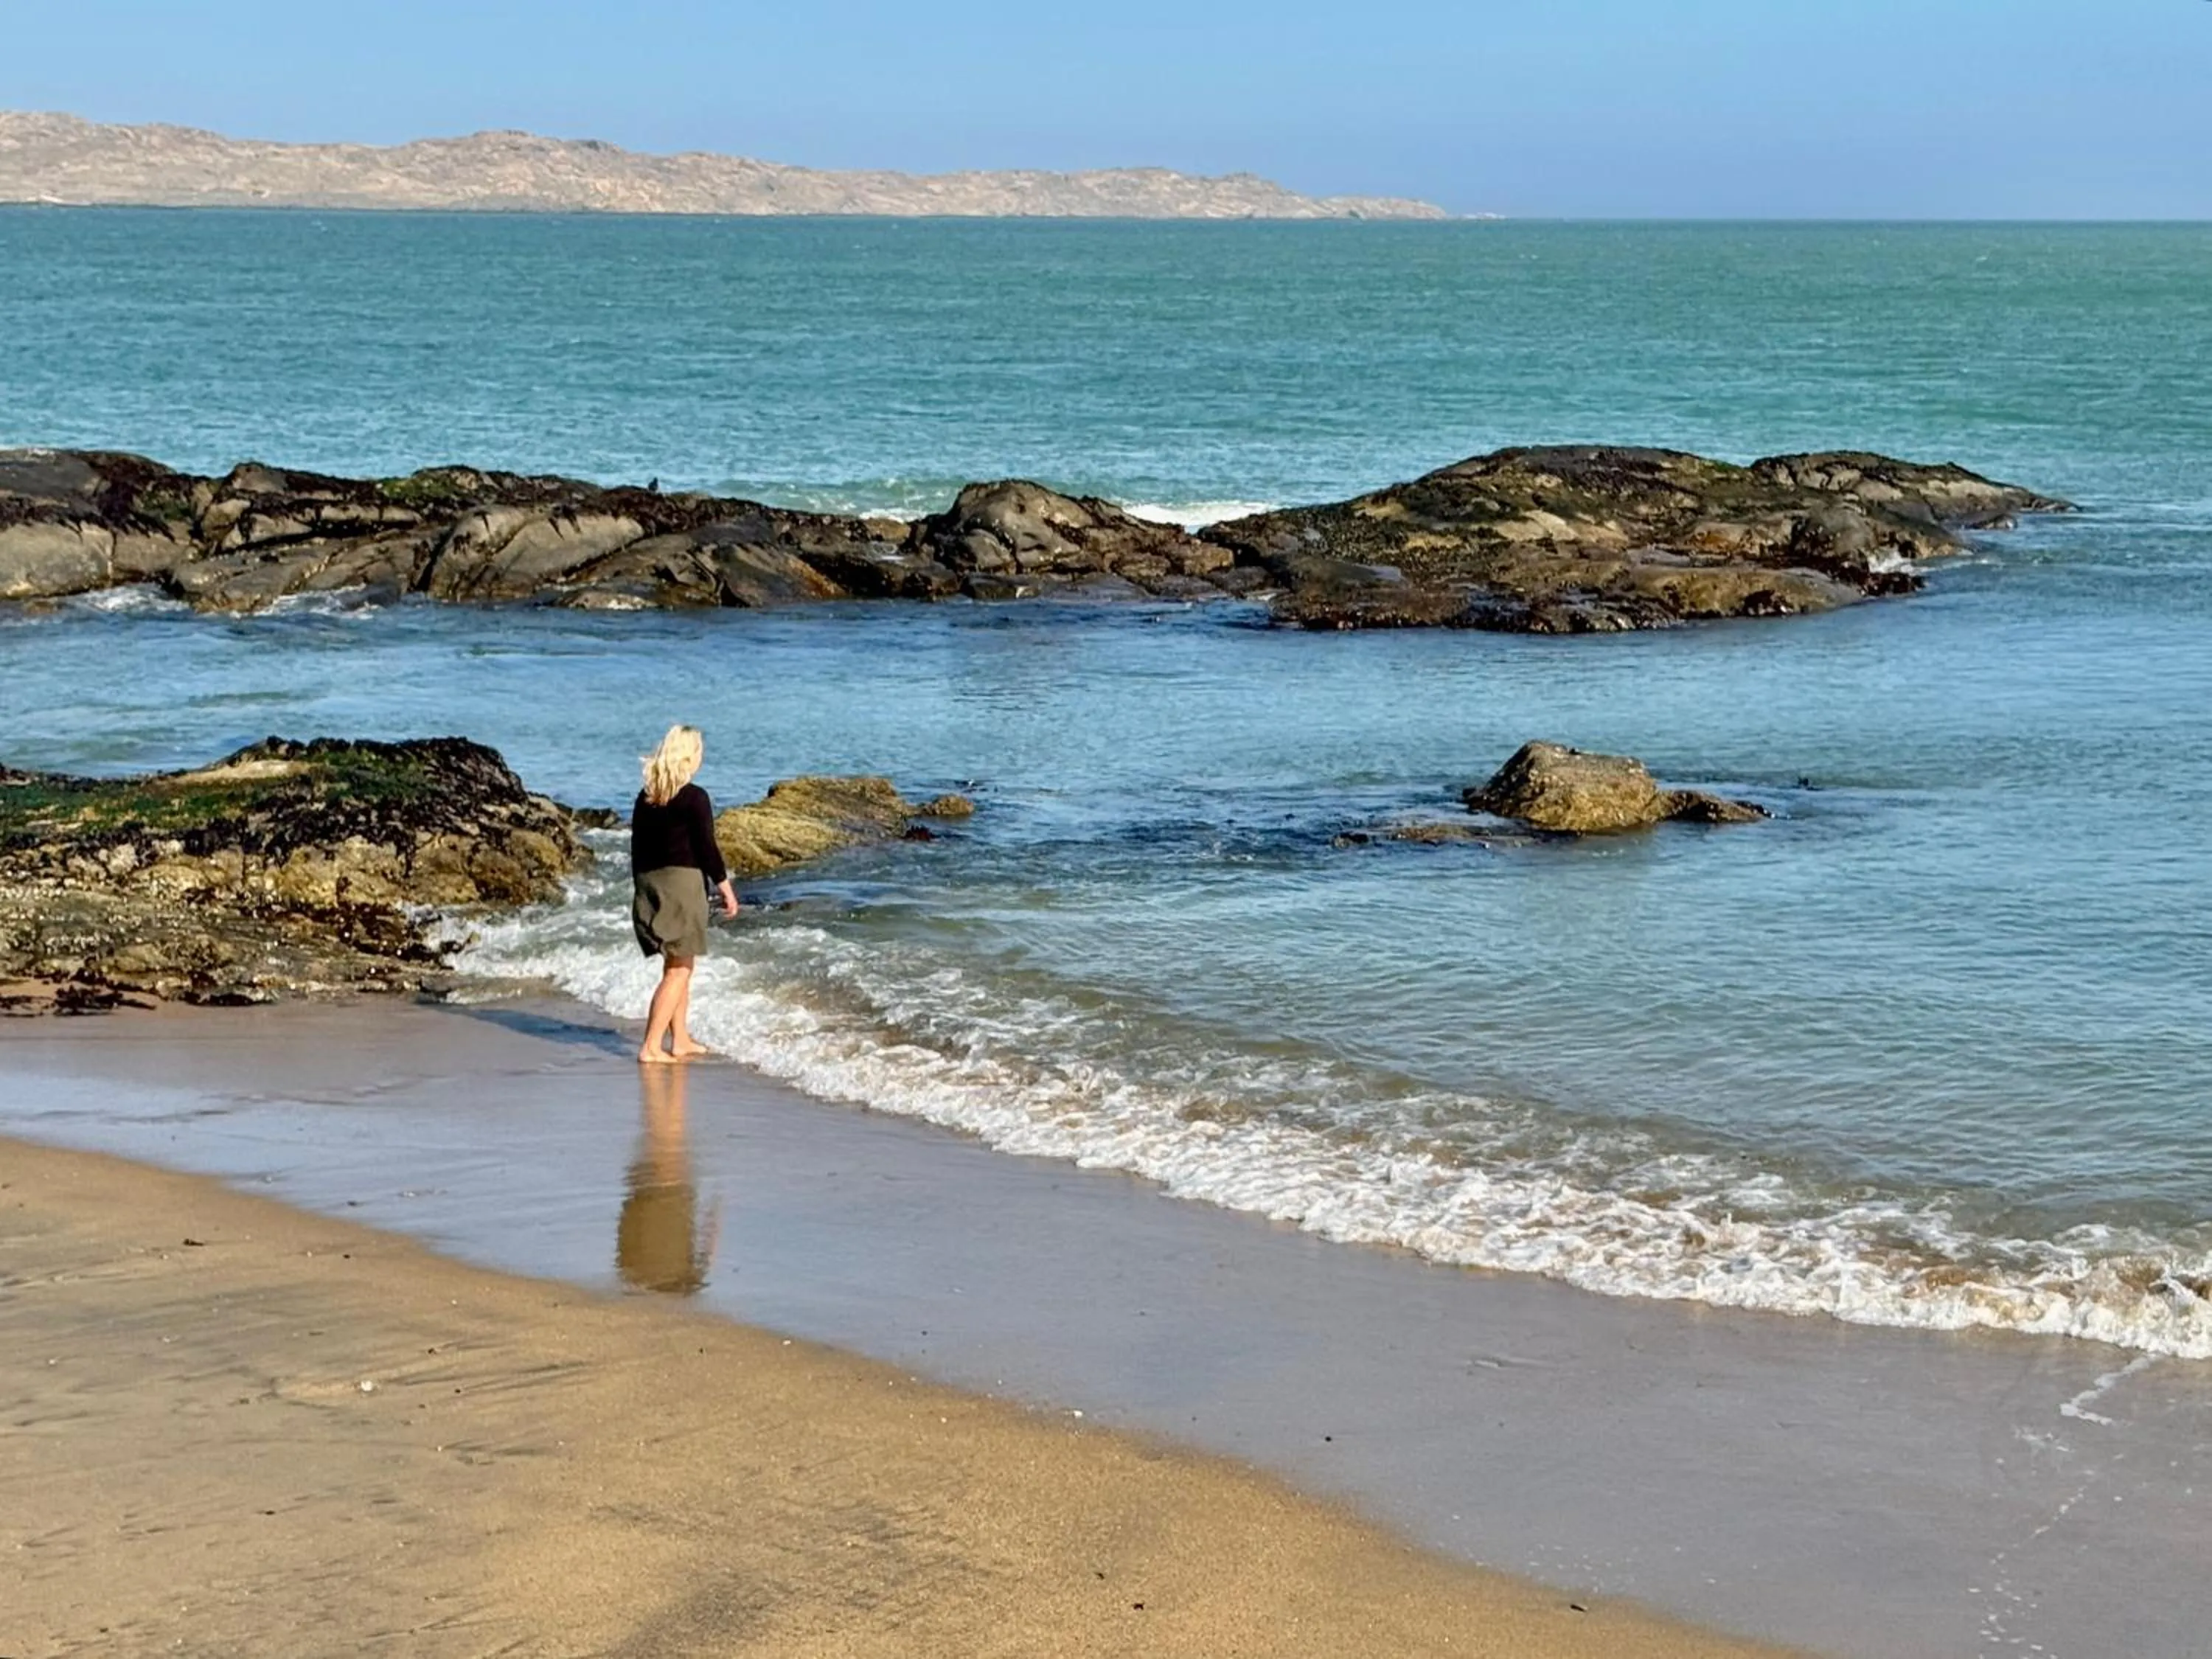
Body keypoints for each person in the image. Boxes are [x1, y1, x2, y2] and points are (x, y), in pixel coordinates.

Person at [630, 723, 739, 1064]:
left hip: (650, 881)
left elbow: (636, 848)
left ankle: (680, 1039)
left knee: (678, 964)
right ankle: (651, 1046)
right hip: (682, 883)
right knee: (679, 971)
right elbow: (707, 848)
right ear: (691, 756)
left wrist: (642, 890)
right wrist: (726, 888)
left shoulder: (646, 798)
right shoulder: (695, 798)